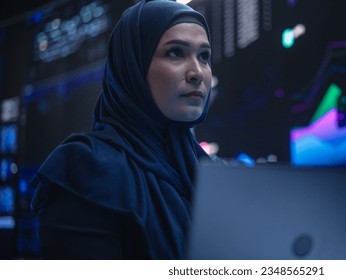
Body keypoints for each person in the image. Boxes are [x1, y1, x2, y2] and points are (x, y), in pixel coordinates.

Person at [30, 0, 212, 259]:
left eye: (204, 56)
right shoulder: (85, 168)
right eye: (175, 53)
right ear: (133, 66)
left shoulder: (204, 169)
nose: (197, 72)